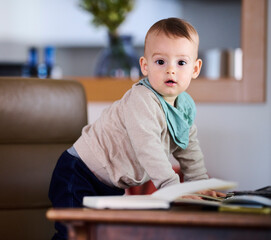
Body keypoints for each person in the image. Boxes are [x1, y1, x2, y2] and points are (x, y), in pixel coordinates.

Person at [49, 17, 224, 240]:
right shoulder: (141, 99)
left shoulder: (184, 108)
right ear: (145, 65)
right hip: (79, 172)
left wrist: (200, 186)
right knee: (74, 234)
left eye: (181, 63)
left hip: (109, 184)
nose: (171, 70)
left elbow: (189, 149)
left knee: (104, 235)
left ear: (195, 68)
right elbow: (148, 147)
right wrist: (172, 188)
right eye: (161, 62)